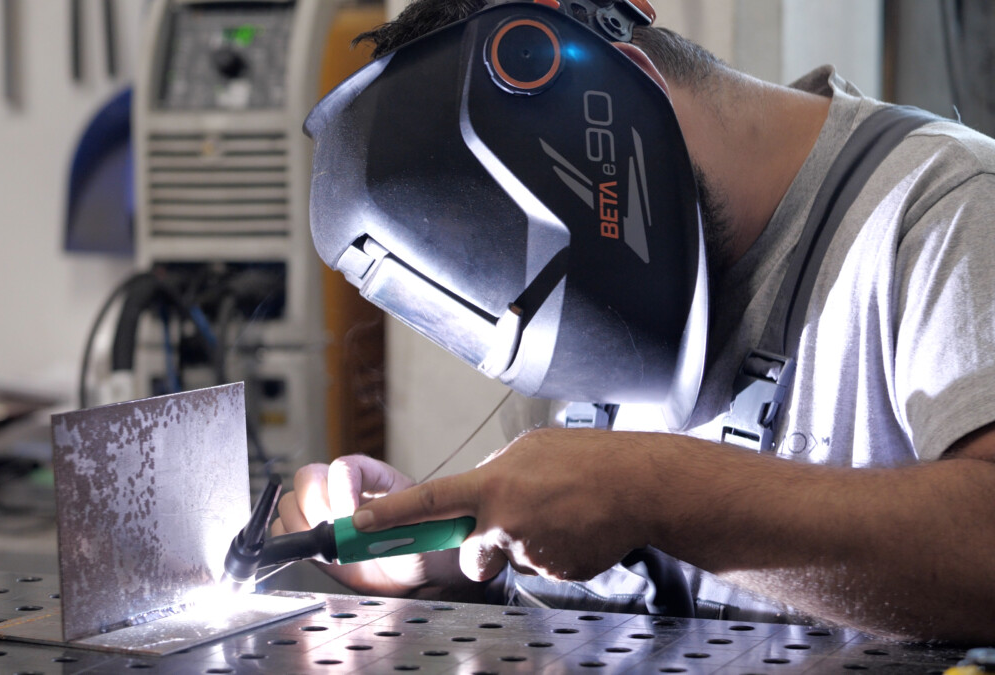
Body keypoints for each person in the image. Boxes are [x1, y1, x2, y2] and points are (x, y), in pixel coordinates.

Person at [275, 0, 995, 643]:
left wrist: (647, 488)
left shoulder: (945, 211)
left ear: (612, 107)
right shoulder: (595, 293)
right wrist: (451, 556)